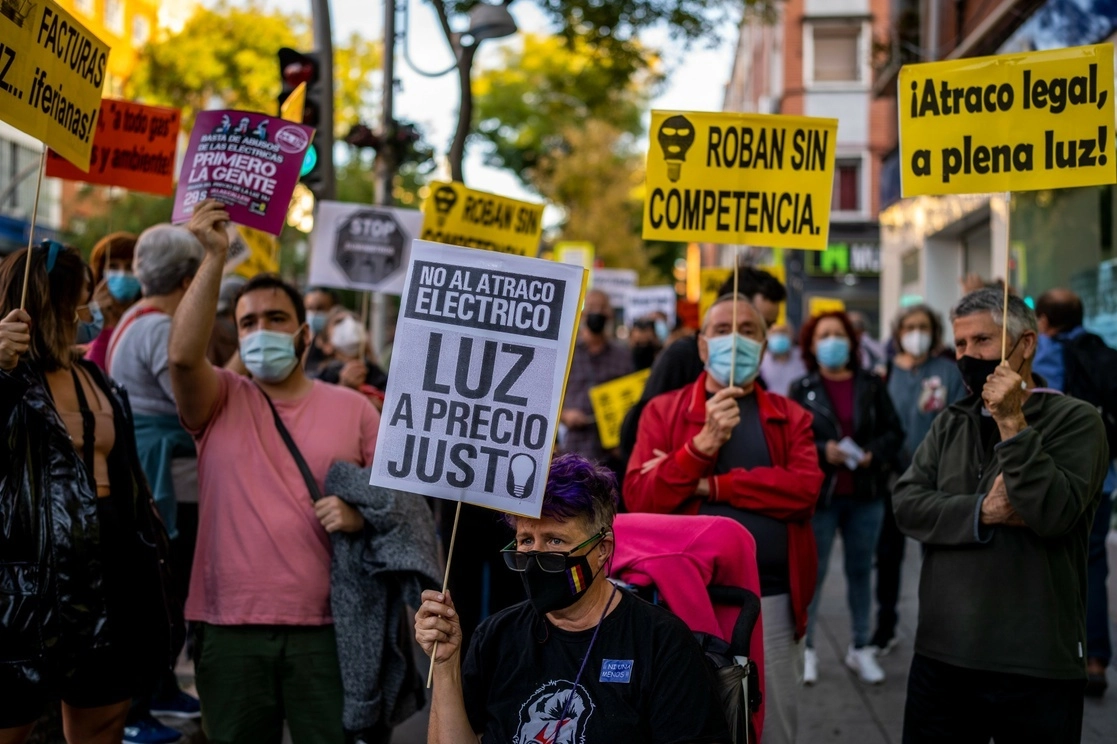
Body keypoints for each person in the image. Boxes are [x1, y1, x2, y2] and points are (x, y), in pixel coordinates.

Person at [168, 200, 381, 743]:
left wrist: (359, 518)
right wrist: (214, 257)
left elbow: (397, 507)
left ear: (304, 335)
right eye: (249, 323)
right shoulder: (218, 399)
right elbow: (183, 359)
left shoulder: (355, 409)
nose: (261, 329)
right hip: (228, 629)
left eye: (276, 319)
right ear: (238, 338)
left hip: (329, 632)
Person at [893, 288, 1109, 743]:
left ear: (1025, 344)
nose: (968, 355)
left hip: (1036, 662)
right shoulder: (951, 421)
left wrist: (1012, 422)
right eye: (960, 343)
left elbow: (1053, 513)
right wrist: (980, 512)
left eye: (983, 341)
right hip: (944, 655)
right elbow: (907, 505)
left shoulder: (1076, 421)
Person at [415, 453, 731, 744]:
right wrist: (445, 667)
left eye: (555, 540)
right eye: (526, 540)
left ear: (602, 550)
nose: (536, 557)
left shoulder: (660, 643)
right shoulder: (496, 637)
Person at [0, 241, 182, 744]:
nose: (94, 306)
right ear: (54, 301)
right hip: (23, 581)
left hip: (110, 573)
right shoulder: (7, 372)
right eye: (85, 294)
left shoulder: (94, 375)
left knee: (102, 719)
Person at [624, 294, 823, 744]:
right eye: (721, 330)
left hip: (772, 599)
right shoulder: (663, 411)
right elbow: (640, 499)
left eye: (748, 331)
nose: (735, 340)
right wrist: (700, 447)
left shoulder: (790, 416)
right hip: (679, 600)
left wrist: (707, 485)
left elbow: (804, 490)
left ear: (764, 344)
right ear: (701, 345)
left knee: (771, 724)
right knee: (685, 721)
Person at [105, 224, 205, 742]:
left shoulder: (134, 318)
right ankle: (139, 708)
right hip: (165, 479)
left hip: (153, 471)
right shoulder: (160, 329)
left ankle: (161, 690)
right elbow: (193, 404)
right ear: (188, 280)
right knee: (163, 592)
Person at [789, 311, 904, 686]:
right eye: (824, 335)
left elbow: (894, 431)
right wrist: (823, 449)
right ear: (811, 344)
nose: (832, 341)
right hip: (821, 497)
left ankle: (860, 646)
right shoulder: (802, 387)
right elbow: (791, 440)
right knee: (814, 574)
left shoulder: (871, 384)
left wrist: (873, 453)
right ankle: (806, 649)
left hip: (866, 494)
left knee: (860, 571)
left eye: (838, 334)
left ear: (851, 342)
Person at [1034, 288, 1117, 696]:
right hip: (1101, 477)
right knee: (1093, 564)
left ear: (1044, 322)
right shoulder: (1104, 351)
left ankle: (1053, 656)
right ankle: (1096, 659)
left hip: (1057, 479)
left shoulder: (1043, 354)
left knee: (1048, 564)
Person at [872, 304, 965, 656]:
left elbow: (958, 422)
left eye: (923, 326)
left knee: (937, 559)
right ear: (898, 333)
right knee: (887, 556)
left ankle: (938, 628)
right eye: (909, 327)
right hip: (891, 480)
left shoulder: (948, 372)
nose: (916, 333)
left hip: (937, 480)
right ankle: (885, 627)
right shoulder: (883, 374)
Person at [619, 267, 786, 462]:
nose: (765, 332)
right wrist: (681, 461)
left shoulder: (763, 389)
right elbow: (640, 438)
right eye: (758, 322)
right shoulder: (680, 359)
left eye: (756, 329)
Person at [561, 289, 634, 469]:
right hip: (573, 450)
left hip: (611, 454)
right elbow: (548, 396)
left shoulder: (623, 355)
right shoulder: (567, 353)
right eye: (592, 307)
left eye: (602, 307)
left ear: (610, 314)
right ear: (583, 314)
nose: (597, 312)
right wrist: (565, 415)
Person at [84, 232, 140, 371]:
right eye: (113, 267)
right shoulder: (84, 319)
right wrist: (99, 321)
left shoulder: (147, 317)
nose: (122, 274)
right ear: (100, 272)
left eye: (130, 267)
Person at [314, 308, 389, 404]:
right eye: (339, 322)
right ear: (326, 345)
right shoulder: (321, 379)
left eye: (355, 320)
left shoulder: (378, 376)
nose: (350, 324)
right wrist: (344, 387)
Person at [759, 321, 807, 396]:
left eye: (783, 332)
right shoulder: (761, 360)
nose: (779, 336)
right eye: (774, 332)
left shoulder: (803, 357)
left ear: (792, 334)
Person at [304, 286, 339, 377]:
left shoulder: (345, 344)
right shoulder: (300, 341)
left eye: (320, 308)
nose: (314, 313)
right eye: (310, 308)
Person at [848, 311, 888, 376]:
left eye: (859, 324)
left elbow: (882, 356)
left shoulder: (868, 343)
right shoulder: (844, 346)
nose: (855, 328)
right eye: (851, 325)